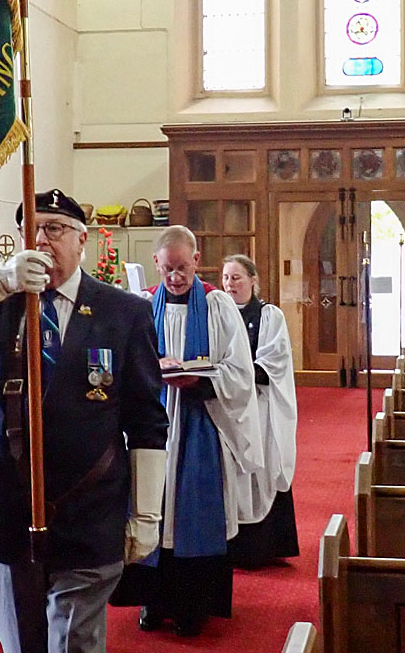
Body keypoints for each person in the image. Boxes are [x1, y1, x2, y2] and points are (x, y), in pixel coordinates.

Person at [0, 189, 168, 653]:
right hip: (5, 502)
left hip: (87, 506)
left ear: (81, 240)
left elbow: (148, 419)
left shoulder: (123, 312)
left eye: (55, 229)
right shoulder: (0, 301)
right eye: (31, 230)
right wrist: (1, 278)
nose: (42, 240)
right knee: (19, 642)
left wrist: (147, 514)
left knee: (74, 640)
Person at [111, 225, 262, 637]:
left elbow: (240, 370)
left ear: (197, 260)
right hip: (154, 422)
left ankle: (194, 606)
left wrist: (201, 379)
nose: (175, 278)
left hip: (200, 422)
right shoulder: (142, 306)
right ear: (156, 265)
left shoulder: (217, 306)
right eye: (168, 270)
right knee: (149, 505)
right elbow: (127, 362)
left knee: (191, 508)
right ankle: (153, 602)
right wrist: (153, 368)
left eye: (183, 268)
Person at [221, 255, 299, 568]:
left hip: (260, 405)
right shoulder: (218, 315)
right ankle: (233, 546)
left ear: (254, 280)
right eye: (226, 278)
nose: (230, 285)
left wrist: (233, 375)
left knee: (261, 469)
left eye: (237, 278)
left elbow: (273, 362)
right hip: (229, 407)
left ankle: (263, 546)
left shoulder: (270, 316)